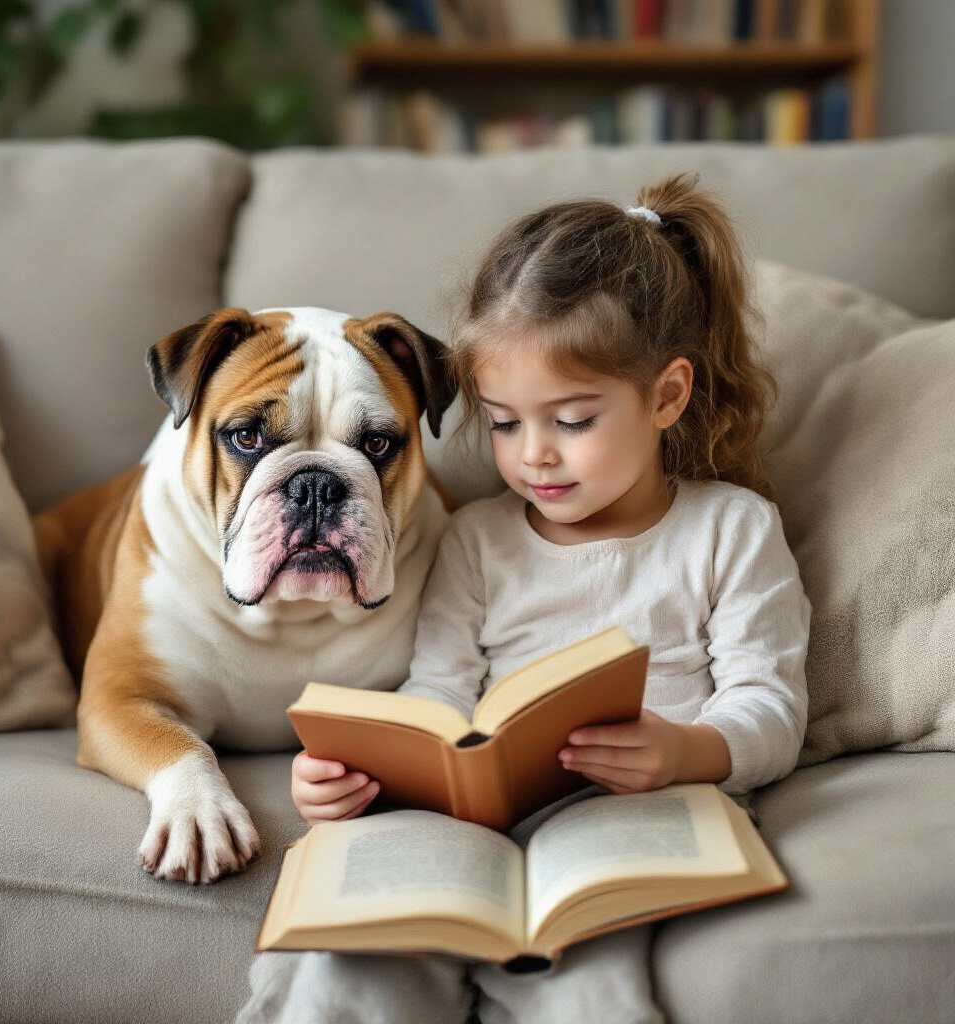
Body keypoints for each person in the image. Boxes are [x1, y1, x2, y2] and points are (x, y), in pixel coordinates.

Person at [236, 174, 811, 1024]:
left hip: (635, 822)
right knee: (349, 968)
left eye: (571, 422)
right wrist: (362, 773)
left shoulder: (731, 529)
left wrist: (686, 752)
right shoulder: (476, 539)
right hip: (467, 826)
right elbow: (437, 693)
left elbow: (770, 705)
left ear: (667, 396)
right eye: (504, 423)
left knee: (591, 990)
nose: (533, 455)